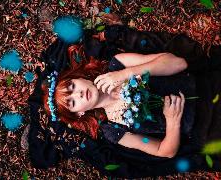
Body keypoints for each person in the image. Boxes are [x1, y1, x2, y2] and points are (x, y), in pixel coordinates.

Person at [27, 16, 221, 178]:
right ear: (79, 113)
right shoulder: (114, 130)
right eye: (72, 102)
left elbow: (178, 64)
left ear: (79, 78)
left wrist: (127, 74)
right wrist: (173, 122)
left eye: (72, 86)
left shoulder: (117, 65)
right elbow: (165, 151)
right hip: (204, 128)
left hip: (207, 87)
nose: (78, 93)